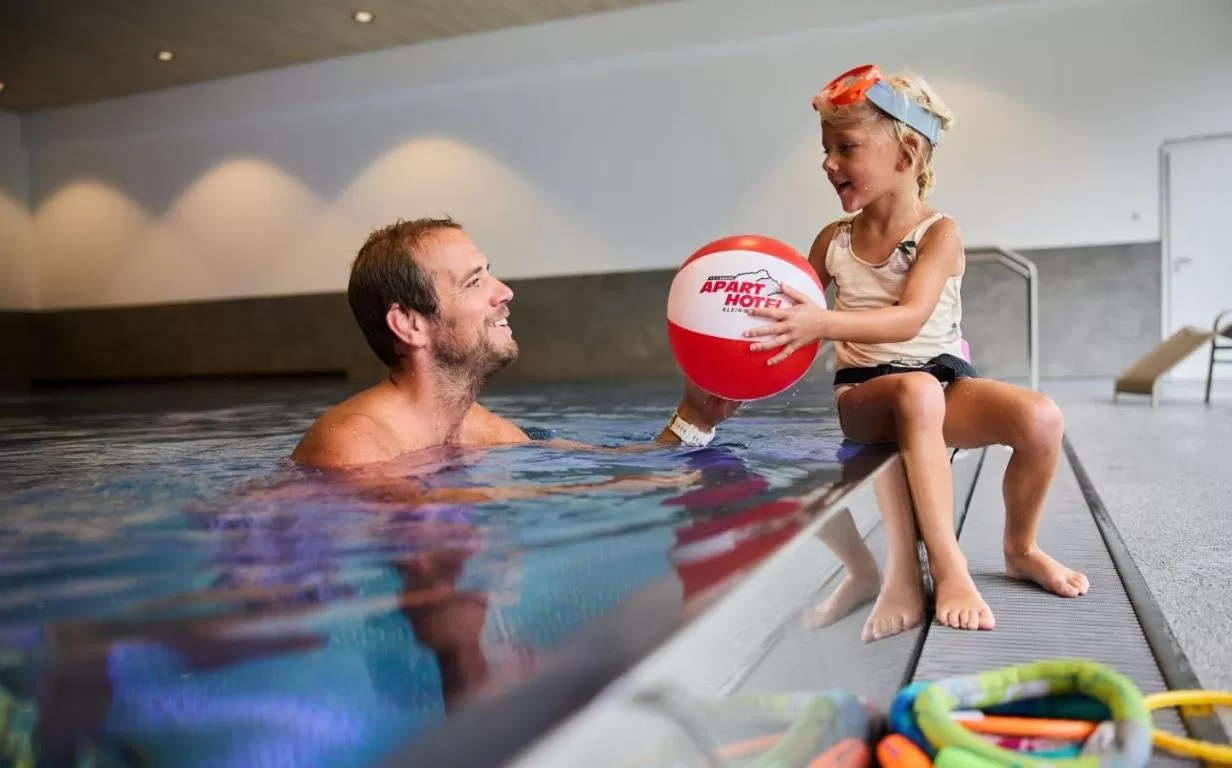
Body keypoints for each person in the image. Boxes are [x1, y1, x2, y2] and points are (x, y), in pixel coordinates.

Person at [743, 64, 1088, 635]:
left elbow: (911, 319)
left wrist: (820, 322)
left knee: (1041, 419)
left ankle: (1020, 548)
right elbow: (789, 312)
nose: (828, 162)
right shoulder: (834, 241)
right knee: (917, 390)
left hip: (942, 385)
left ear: (905, 154)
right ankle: (947, 567)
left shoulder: (938, 233)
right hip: (866, 396)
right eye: (825, 149)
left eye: (846, 147)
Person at [291, 217, 741, 481]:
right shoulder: (355, 448)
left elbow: (611, 472)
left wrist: (695, 418)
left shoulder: (481, 430)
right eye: (474, 282)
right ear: (409, 324)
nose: (504, 292)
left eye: (491, 274)